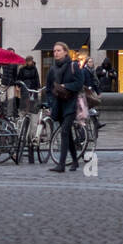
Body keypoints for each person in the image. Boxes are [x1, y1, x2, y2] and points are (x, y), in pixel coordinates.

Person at [44, 41, 83, 173]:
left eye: (59, 50)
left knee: (65, 131)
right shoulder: (52, 69)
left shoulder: (73, 66)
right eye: (54, 51)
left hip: (71, 103)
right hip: (58, 104)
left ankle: (61, 164)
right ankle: (75, 161)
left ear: (65, 52)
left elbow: (79, 83)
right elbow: (48, 88)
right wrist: (50, 103)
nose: (56, 53)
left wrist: (66, 86)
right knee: (67, 134)